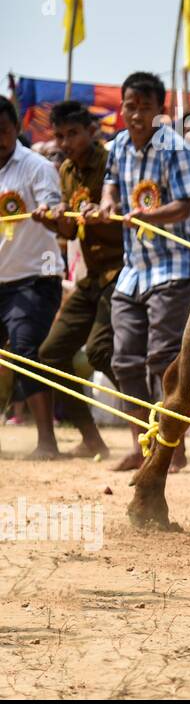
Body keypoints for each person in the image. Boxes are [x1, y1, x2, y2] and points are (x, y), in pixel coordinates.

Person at [85, 72, 190, 473]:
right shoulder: (116, 145)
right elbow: (111, 186)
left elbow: (185, 206)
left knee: (162, 360)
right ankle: (145, 442)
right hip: (132, 272)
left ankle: (173, 446)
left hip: (173, 269)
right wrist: (105, 204)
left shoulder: (177, 149)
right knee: (124, 361)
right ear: (122, 108)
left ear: (159, 111)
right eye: (129, 106)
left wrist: (148, 215)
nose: (135, 115)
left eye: (144, 107)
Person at [30, 101, 122, 459]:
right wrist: (50, 219)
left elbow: (127, 216)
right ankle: (91, 439)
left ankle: (151, 422)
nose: (66, 142)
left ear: (91, 132)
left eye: (73, 133)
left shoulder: (112, 163)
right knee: (50, 354)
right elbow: (68, 230)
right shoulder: (65, 171)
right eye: (60, 136)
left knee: (101, 352)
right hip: (90, 277)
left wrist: (103, 217)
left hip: (122, 273)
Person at [0, 95, 65, 459]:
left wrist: (48, 213)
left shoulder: (37, 167)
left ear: (15, 130)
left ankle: (47, 442)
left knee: (25, 351)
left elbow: (55, 210)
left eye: (3, 131)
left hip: (36, 279)